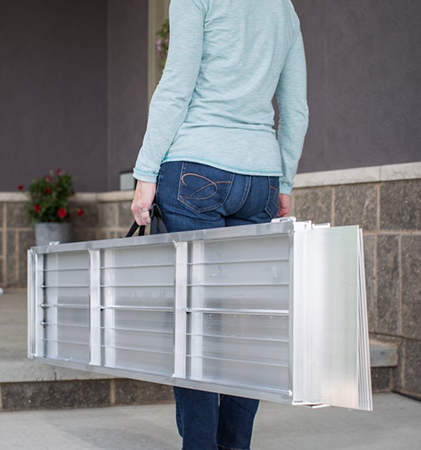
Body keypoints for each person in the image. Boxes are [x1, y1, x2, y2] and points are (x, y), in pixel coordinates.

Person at [130, 0, 309, 449]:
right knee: (245, 321)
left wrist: (146, 172)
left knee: (193, 320)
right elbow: (296, 108)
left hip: (195, 168)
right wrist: (284, 181)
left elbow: (176, 85)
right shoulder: (284, 9)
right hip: (261, 178)